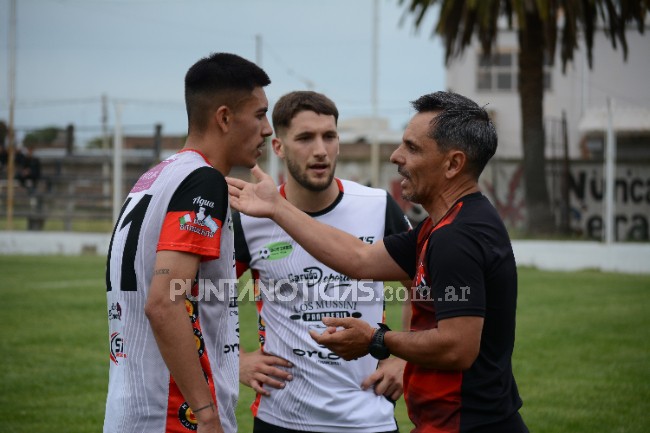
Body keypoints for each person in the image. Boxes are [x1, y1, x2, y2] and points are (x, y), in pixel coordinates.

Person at [227, 91, 529, 433]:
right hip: (436, 421)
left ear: (453, 164)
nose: (396, 157)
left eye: (412, 148)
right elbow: (360, 258)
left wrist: (378, 340)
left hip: (469, 424)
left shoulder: (456, 237)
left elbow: (457, 347)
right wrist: (278, 208)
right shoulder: (438, 228)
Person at [103, 52, 272, 433]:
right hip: (173, 414)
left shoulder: (155, 176)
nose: (268, 129)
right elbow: (164, 302)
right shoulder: (203, 181)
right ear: (224, 117)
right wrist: (206, 413)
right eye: (260, 114)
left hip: (131, 405)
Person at [233, 91, 412, 433]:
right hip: (281, 417)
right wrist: (235, 360)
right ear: (279, 148)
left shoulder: (376, 206)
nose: (320, 150)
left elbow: (424, 288)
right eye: (305, 138)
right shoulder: (251, 217)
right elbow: (198, 295)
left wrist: (405, 359)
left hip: (368, 419)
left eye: (329, 136)